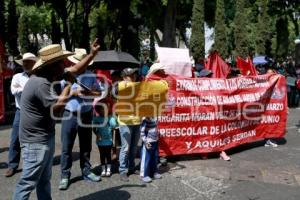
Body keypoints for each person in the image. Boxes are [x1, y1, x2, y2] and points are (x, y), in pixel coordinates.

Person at [13, 39, 100, 200]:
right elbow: (57, 110)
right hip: (35, 141)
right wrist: (68, 85)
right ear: (52, 65)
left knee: (44, 180)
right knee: (28, 182)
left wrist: (92, 54)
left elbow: (75, 69)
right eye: (61, 62)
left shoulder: (49, 76)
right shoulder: (41, 83)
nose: (65, 64)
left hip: (44, 137)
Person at [59, 48, 102, 190]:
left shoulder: (91, 75)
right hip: (69, 114)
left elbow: (99, 92)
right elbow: (59, 96)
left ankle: (86, 171)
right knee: (66, 147)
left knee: (86, 146)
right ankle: (65, 175)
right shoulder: (67, 74)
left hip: (86, 114)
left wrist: (89, 92)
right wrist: (74, 91)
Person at [5, 53, 37, 177]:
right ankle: (12, 165)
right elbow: (14, 91)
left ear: (34, 63)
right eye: (24, 62)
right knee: (15, 139)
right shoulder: (17, 76)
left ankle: (34, 163)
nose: (25, 64)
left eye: (28, 62)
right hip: (21, 111)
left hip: (35, 112)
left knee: (35, 138)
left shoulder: (38, 77)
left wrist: (23, 89)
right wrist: (29, 89)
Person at [118, 68, 141, 182]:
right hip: (125, 122)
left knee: (133, 148)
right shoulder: (121, 85)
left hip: (137, 121)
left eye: (134, 75)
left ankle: (131, 167)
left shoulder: (137, 86)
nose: (133, 77)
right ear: (124, 77)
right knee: (125, 148)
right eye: (130, 75)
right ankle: (122, 170)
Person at [93, 97, 117, 177]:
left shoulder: (110, 118)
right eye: (102, 109)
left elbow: (114, 128)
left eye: (106, 109)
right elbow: (93, 128)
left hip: (109, 141)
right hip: (100, 141)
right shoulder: (97, 119)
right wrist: (97, 134)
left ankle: (109, 169)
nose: (104, 111)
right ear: (99, 110)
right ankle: (103, 169)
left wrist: (114, 141)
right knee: (102, 155)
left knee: (108, 155)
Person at [139, 117, 162, 183]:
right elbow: (142, 132)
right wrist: (146, 142)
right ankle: (144, 175)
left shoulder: (155, 117)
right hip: (148, 142)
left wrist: (158, 136)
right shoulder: (145, 119)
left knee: (154, 158)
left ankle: (154, 172)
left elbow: (156, 127)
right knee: (146, 158)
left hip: (155, 141)